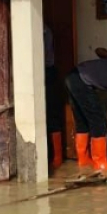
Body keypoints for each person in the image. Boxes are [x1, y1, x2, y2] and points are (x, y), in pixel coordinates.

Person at [43, 23, 65, 172]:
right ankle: (55, 157)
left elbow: (43, 55)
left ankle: (57, 158)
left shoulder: (43, 30)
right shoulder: (44, 29)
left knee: (52, 115)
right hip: (44, 71)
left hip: (47, 72)